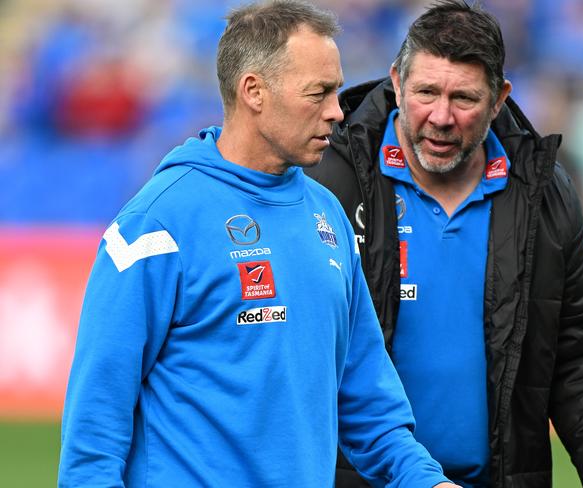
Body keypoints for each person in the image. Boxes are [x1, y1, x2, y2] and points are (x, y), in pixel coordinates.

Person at [57, 1, 460, 487]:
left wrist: (428, 481)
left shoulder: (326, 213)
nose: (337, 111)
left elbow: (370, 407)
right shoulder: (156, 225)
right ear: (254, 91)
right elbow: (93, 437)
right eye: (319, 93)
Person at [306, 1, 583, 487]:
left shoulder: (543, 192)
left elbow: (577, 354)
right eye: (426, 92)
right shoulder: (328, 181)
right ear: (397, 83)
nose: (441, 116)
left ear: (499, 98)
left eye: (463, 98)